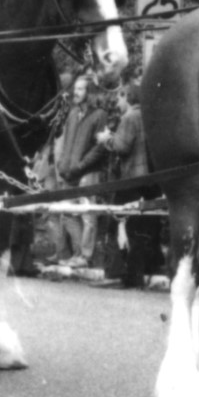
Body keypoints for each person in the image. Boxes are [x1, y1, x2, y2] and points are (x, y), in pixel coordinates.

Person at [97, 81, 162, 288]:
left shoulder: (129, 117)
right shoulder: (150, 115)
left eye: (120, 97)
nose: (117, 101)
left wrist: (106, 139)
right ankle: (142, 270)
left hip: (132, 178)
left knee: (119, 223)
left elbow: (122, 147)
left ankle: (120, 273)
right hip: (150, 179)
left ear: (128, 97)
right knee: (146, 227)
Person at [53, 74, 107, 268]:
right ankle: (78, 252)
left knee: (87, 216)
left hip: (88, 173)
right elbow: (65, 140)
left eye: (81, 89)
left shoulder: (99, 115)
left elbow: (99, 148)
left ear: (89, 92)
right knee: (66, 213)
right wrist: (62, 164)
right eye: (75, 89)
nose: (76, 92)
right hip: (69, 172)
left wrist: (81, 165)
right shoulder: (73, 113)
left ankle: (85, 256)